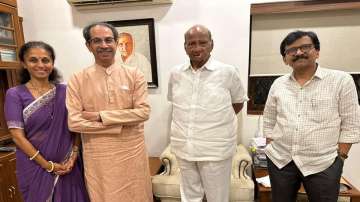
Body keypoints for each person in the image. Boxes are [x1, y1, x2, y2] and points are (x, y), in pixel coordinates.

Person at [263, 30, 360, 202]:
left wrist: (340, 158)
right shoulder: (278, 84)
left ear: (317, 51)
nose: (299, 52)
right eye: (291, 50)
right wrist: (270, 147)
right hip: (281, 161)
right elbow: (269, 120)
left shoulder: (341, 80)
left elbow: (351, 123)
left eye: (305, 47)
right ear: (285, 59)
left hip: (323, 163)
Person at [65, 22, 152, 202]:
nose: (103, 45)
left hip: (131, 151)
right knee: (104, 196)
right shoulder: (77, 79)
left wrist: (101, 116)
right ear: (88, 46)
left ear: (115, 43)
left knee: (137, 195)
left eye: (108, 40)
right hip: (98, 156)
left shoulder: (135, 74)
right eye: (97, 41)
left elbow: (143, 113)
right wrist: (119, 124)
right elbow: (74, 122)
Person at [167, 25, 248, 202]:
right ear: (185, 47)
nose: (197, 48)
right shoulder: (175, 73)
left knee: (217, 198)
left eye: (202, 43)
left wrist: (215, 124)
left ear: (211, 44)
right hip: (184, 147)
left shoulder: (227, 72)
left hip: (215, 149)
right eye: (191, 43)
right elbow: (177, 104)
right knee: (189, 196)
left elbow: (237, 103)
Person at [4, 41, 89, 202]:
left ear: (52, 63)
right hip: (34, 166)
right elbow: (17, 137)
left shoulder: (66, 91)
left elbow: (75, 125)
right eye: (33, 60)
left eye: (45, 60)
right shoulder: (15, 94)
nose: (40, 65)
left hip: (68, 164)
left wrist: (74, 155)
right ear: (24, 63)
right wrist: (47, 165)